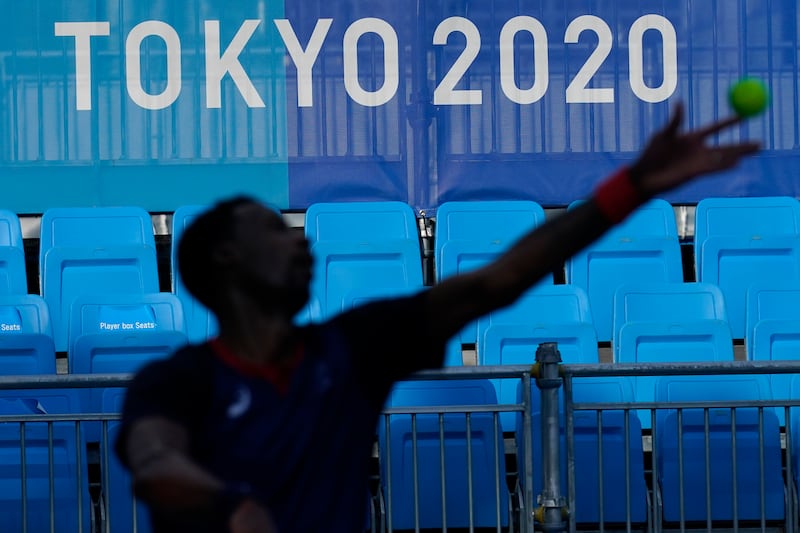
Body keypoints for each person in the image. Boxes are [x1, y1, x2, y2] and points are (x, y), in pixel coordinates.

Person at [115, 104, 759, 533]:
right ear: (226, 258)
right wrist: (232, 507)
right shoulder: (177, 381)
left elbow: (499, 280)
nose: (299, 240)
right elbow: (154, 460)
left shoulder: (353, 348)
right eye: (272, 230)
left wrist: (634, 186)